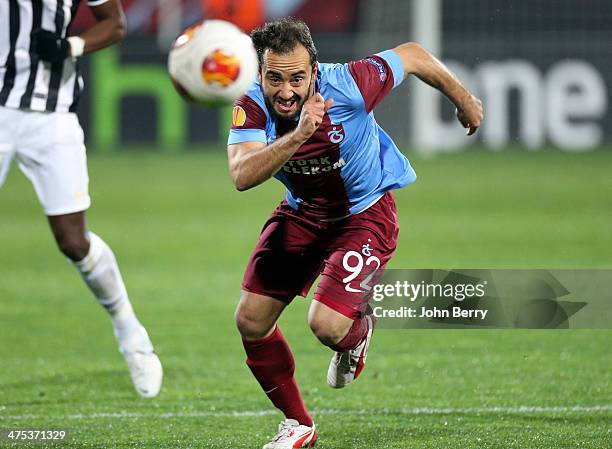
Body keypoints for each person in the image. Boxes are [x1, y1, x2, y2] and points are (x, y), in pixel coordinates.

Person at [228, 18, 483, 449]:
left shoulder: (349, 83)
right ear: (260, 73)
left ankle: (358, 331)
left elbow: (415, 56)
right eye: (274, 78)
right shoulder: (250, 105)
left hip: (364, 215)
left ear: (315, 71)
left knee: (326, 325)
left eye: (297, 78)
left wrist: (464, 99)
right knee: (250, 321)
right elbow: (241, 174)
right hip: (302, 214)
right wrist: (299, 135)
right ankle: (298, 426)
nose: (286, 91)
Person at [0, 0, 162, 398]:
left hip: (51, 113)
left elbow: (115, 24)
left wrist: (69, 46)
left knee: (74, 240)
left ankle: (132, 335)